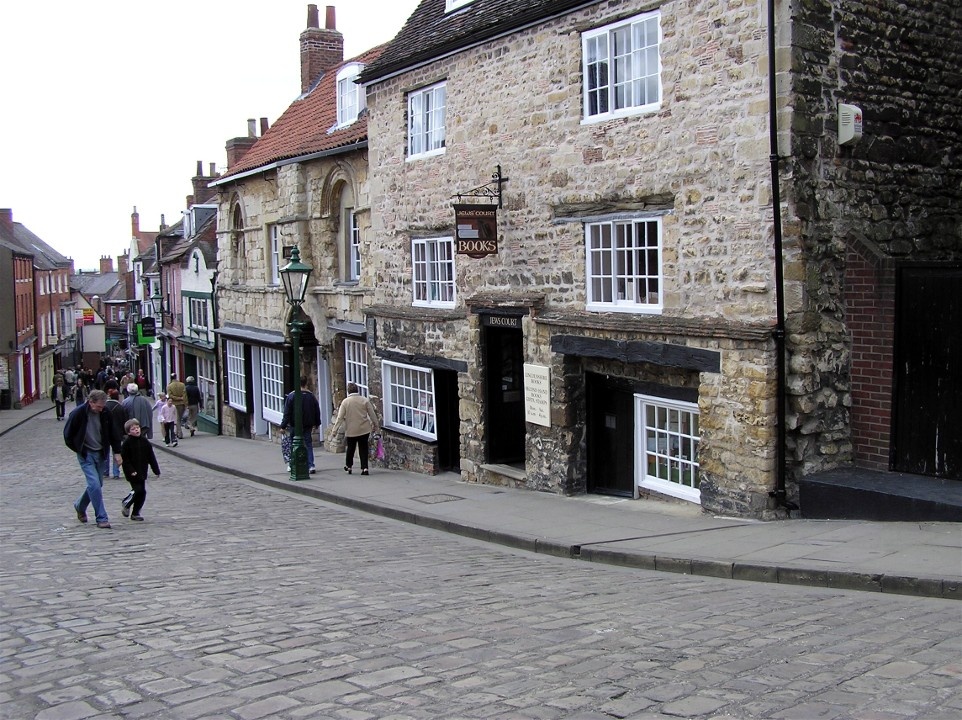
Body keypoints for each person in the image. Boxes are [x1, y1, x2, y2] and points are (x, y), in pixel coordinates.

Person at [64, 389, 123, 529]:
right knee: (94, 485)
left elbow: (114, 433)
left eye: (103, 407)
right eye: (98, 407)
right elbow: (68, 436)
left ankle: (79, 506)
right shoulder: (78, 414)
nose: (101, 409)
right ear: (91, 402)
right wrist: (80, 449)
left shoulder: (106, 413)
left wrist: (117, 452)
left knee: (97, 485)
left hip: (101, 454)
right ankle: (101, 518)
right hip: (86, 454)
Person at [330, 382, 380, 475]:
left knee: (350, 448)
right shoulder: (364, 400)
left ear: (348, 391)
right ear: (357, 390)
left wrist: (334, 431)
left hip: (351, 429)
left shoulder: (345, 402)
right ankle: (365, 468)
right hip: (364, 429)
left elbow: (340, 418)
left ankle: (349, 466)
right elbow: (372, 414)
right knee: (363, 448)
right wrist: (376, 425)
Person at [119, 418, 160, 522]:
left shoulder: (144, 441)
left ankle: (136, 512)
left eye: (137, 428)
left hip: (142, 470)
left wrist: (156, 470)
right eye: (133, 429)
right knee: (137, 490)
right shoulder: (127, 443)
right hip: (132, 472)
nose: (136, 430)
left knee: (142, 492)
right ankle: (126, 502)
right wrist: (131, 470)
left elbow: (151, 456)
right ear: (128, 432)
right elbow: (125, 459)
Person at [281, 378, 322, 473]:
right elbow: (316, 410)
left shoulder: (291, 396)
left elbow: (287, 412)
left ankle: (292, 464)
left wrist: (283, 426)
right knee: (308, 444)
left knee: (293, 443)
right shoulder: (311, 396)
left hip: (295, 424)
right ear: (306, 383)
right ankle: (310, 465)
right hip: (308, 424)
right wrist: (317, 423)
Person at [103, 387, 128, 479]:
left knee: (105, 453)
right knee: (116, 453)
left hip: (105, 434)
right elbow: (124, 421)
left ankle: (105, 472)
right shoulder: (120, 408)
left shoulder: (104, 407)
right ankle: (116, 472)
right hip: (117, 434)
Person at [165, 374, 187, 440]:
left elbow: (170, 395)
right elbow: (185, 395)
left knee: (177, 420)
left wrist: (177, 398)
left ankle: (179, 433)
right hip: (182, 404)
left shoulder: (169, 386)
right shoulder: (182, 384)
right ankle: (177, 433)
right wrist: (185, 403)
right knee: (179, 418)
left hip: (174, 404)